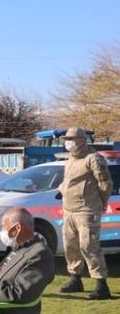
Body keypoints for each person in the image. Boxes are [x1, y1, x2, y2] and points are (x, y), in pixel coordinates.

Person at [58, 127, 114, 300]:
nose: (69, 142)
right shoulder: (70, 159)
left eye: (72, 138)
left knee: (89, 246)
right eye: (67, 139)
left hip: (87, 210)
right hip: (69, 210)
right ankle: (75, 279)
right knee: (70, 246)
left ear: (82, 140)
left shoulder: (94, 159)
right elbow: (67, 182)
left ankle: (101, 285)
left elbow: (105, 183)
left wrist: (102, 202)